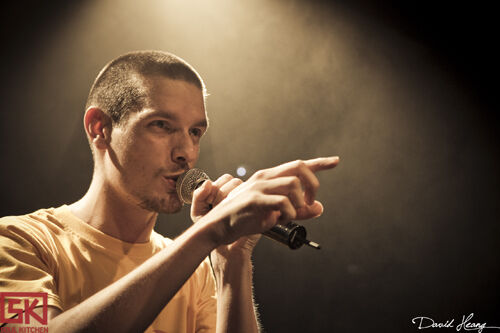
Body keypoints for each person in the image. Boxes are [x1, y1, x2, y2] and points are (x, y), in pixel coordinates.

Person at [0, 50, 339, 332]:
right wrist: (210, 231)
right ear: (99, 128)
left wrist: (232, 262)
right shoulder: (17, 242)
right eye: (161, 125)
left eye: (195, 132)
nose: (186, 153)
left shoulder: (196, 270)